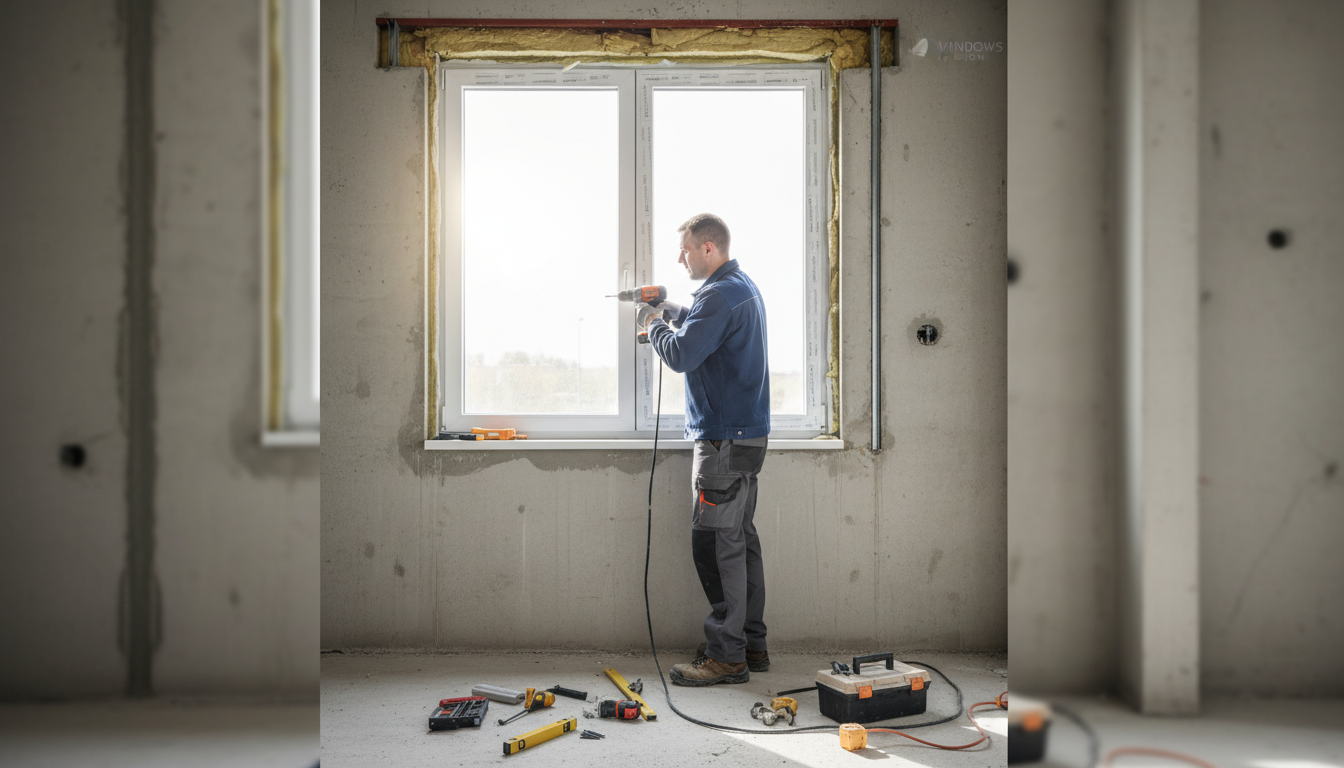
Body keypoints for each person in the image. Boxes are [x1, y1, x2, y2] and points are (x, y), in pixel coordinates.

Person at [638, 213, 771, 686]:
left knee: (716, 545)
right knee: (740, 541)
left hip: (721, 441)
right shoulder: (740, 287)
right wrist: (672, 311)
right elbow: (703, 329)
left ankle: (726, 656)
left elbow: (681, 355)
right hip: (747, 436)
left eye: (686, 249)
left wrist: (654, 325)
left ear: (709, 248)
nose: (681, 257)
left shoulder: (717, 295)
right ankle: (750, 644)